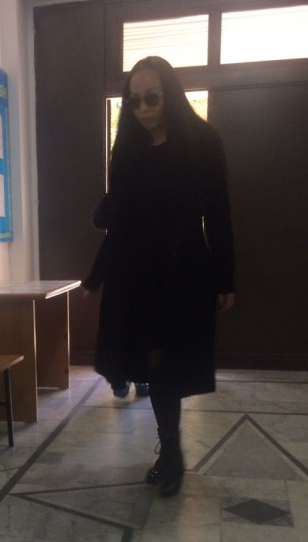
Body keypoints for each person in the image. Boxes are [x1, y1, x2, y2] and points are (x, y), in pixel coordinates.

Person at [82, 56, 235, 496]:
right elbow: (119, 222)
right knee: (148, 358)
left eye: (151, 98)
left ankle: (171, 452)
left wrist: (227, 277)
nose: (143, 109)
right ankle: (170, 450)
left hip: (183, 271)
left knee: (168, 362)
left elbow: (217, 214)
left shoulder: (203, 141)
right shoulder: (127, 148)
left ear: (170, 94)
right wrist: (96, 275)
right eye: (134, 101)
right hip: (134, 272)